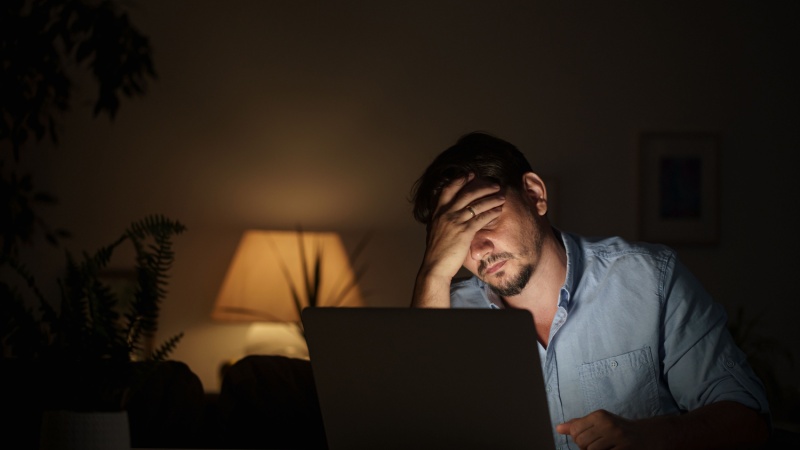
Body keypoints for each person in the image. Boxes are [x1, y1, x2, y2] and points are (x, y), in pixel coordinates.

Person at [410, 132, 770, 449]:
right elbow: (417, 430)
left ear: (535, 194)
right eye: (457, 238)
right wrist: (432, 272)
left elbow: (748, 418)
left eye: (484, 217)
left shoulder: (650, 280)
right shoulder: (446, 313)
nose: (478, 249)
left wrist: (654, 436)